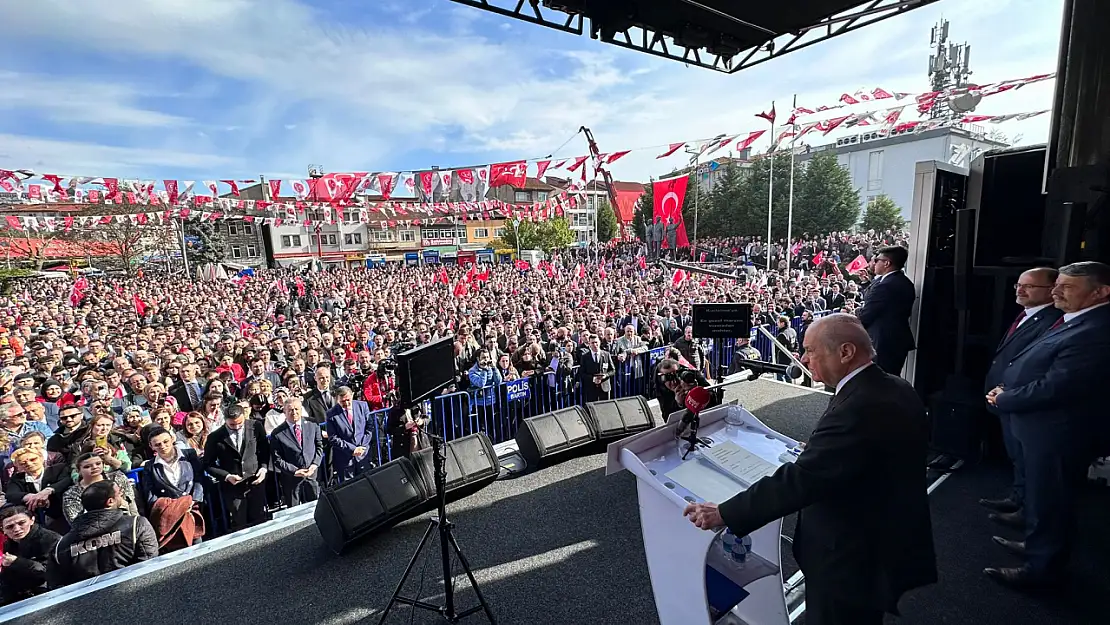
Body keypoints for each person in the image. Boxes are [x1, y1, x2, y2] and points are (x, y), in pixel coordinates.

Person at [683, 314, 936, 625]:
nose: (803, 359)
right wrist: (828, 452)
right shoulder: (893, 386)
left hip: (852, 558)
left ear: (845, 352)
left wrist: (724, 513)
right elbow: (867, 452)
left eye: (810, 350)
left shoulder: (860, 406)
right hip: (879, 540)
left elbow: (802, 480)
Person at [985, 261, 1110, 588]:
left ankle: (1042, 571)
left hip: (1058, 431)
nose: (1055, 291)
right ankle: (1037, 546)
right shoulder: (1075, 320)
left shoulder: (1097, 330)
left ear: (1100, 292)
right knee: (1041, 499)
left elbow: (1058, 385)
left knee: (1052, 502)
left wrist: (1006, 398)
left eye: (1066, 287)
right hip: (1041, 426)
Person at [979, 267, 1061, 517]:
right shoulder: (1026, 315)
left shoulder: (1051, 322)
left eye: (1029, 286)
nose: (1020, 290)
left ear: (1051, 290)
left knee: (1028, 461)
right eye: (1018, 285)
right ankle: (1018, 498)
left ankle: (1027, 513)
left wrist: (1007, 390)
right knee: (1017, 456)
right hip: (1006, 397)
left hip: (1019, 399)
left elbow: (1036, 366)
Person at [51, 480, 159, 586]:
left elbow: (58, 586)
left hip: (88, 602)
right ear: (110, 501)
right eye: (119, 494)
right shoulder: (136, 524)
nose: (122, 496)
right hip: (134, 595)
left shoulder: (61, 545)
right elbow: (148, 565)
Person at [203, 403, 271, 530]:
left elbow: (264, 451)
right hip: (233, 487)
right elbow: (208, 464)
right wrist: (227, 476)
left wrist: (263, 468)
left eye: (240, 423)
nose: (237, 427)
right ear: (225, 420)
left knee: (259, 519)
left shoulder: (255, 426)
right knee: (240, 522)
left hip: (255, 481)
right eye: (232, 425)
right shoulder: (214, 437)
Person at [856, 245, 916, 375]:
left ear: (887, 263)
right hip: (896, 341)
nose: (873, 263)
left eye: (877, 260)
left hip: (883, 343)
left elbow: (866, 316)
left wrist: (855, 312)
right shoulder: (903, 281)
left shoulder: (885, 286)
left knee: (879, 383)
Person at [0, 506, 61, 604]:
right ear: (3, 530)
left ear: (32, 520)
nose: (17, 529)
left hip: (50, 595)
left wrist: (17, 562)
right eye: (10, 527)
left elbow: (48, 573)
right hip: (21, 598)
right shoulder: (9, 544)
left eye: (21, 523)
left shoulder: (49, 539)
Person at [270, 396, 323, 506]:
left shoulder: (313, 424)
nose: (294, 412)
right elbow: (277, 459)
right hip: (291, 480)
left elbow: (319, 446)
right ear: (284, 411)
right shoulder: (277, 433)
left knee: (316, 507)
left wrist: (314, 464)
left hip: (311, 475)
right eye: (290, 410)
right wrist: (295, 471)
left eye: (296, 409)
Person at [326, 386, 374, 481]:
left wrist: (362, 447)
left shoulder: (362, 406)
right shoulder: (331, 414)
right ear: (337, 399)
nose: (346, 403)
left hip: (363, 455)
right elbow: (333, 437)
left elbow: (369, 427)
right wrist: (353, 449)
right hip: (345, 459)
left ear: (352, 395)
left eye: (348, 400)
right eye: (342, 401)